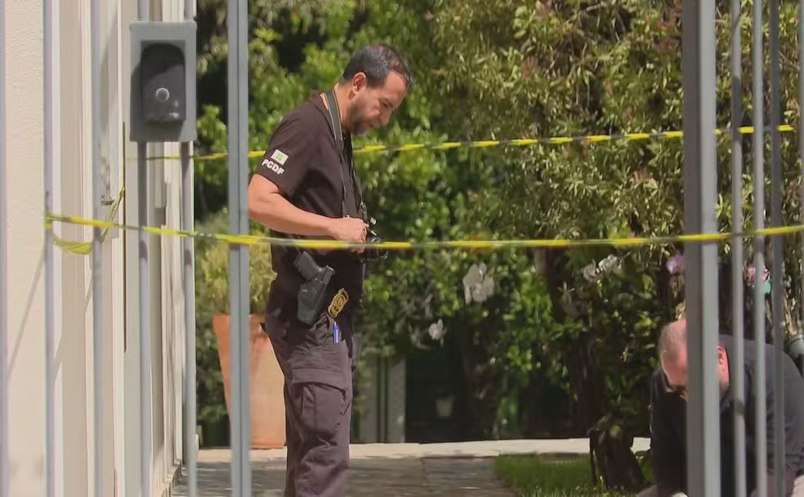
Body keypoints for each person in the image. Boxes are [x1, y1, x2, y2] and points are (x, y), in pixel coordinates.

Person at [246, 44, 413, 497]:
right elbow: (257, 199)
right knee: (325, 458)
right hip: (310, 323)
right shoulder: (307, 126)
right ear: (359, 83)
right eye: (384, 105)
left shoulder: (339, 136)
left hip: (331, 321)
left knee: (314, 456)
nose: (384, 119)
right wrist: (333, 228)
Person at [639, 319, 804, 497]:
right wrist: (675, 493)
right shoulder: (666, 385)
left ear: (718, 356)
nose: (689, 397)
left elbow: (779, 475)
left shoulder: (773, 374)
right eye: (678, 389)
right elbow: (664, 456)